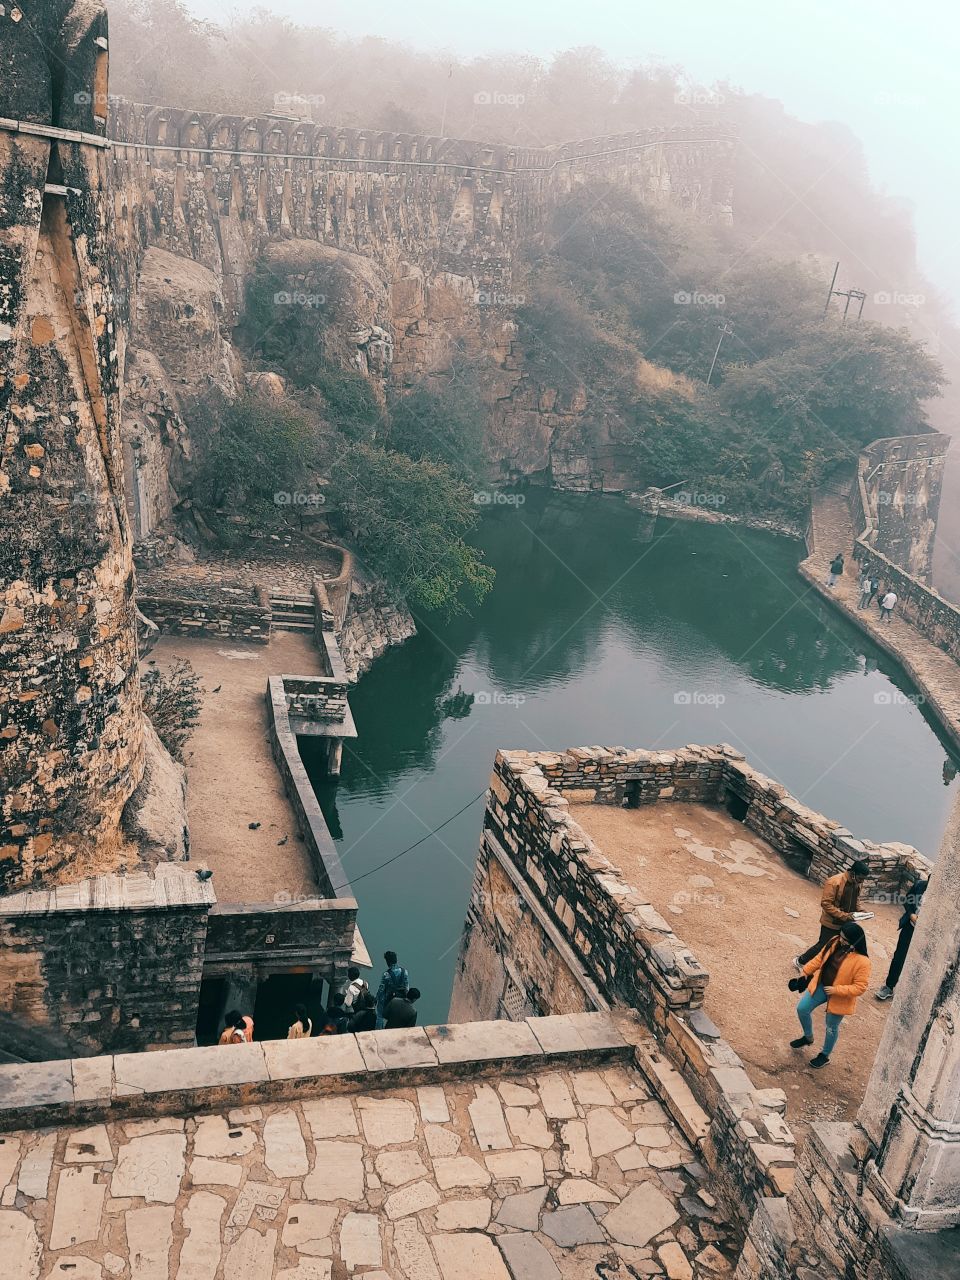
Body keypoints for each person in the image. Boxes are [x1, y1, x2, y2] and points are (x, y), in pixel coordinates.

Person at [789, 921, 871, 1067]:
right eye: (841, 936)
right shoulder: (835, 941)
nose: (840, 940)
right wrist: (806, 972)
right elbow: (820, 958)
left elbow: (860, 987)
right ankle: (808, 1037)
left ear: (854, 941)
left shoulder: (863, 962)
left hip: (839, 996)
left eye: (844, 939)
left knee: (831, 1027)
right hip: (821, 985)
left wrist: (836, 990)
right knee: (802, 1009)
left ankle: (825, 1055)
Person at [795, 859, 870, 967]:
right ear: (853, 873)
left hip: (846, 922)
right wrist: (844, 916)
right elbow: (826, 904)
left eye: (863, 879)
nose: (862, 882)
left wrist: (861, 911)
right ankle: (800, 961)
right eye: (860, 878)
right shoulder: (834, 882)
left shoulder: (857, 882)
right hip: (831, 922)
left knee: (838, 946)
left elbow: (856, 900)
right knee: (823, 945)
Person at [875, 876, 928, 1001]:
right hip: (910, 928)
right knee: (899, 958)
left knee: (919, 964)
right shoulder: (920, 885)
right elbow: (908, 901)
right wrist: (911, 915)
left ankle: (910, 995)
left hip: (926, 936)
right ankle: (889, 987)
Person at [375, 950, 410, 1030]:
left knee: (379, 1012)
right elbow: (407, 987)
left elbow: (381, 989)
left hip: (389, 999)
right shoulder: (405, 972)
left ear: (388, 962)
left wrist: (376, 999)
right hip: (401, 998)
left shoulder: (386, 974)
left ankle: (378, 1029)